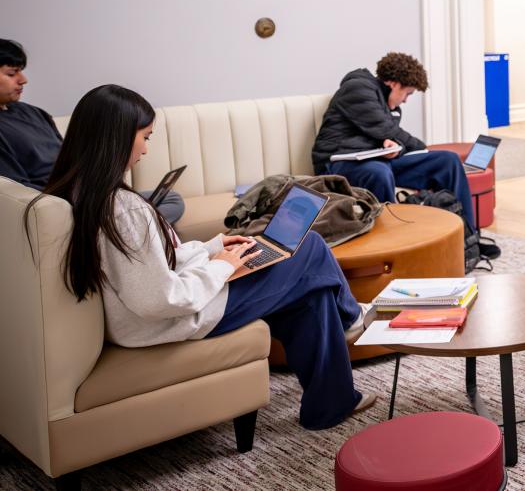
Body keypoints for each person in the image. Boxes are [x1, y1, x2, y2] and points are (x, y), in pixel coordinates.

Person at [32, 85, 374, 430]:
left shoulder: (77, 192)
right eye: (144, 137)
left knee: (306, 292)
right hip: (172, 320)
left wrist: (214, 248)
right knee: (311, 246)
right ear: (117, 137)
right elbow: (159, 299)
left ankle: (331, 404)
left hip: (147, 318)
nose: (145, 150)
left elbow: (148, 267)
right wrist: (224, 266)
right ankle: (351, 318)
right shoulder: (122, 208)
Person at [0, 39, 185, 222]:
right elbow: (15, 192)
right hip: (59, 203)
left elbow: (68, 156)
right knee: (138, 209)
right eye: (12, 73)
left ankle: (129, 223)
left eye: (20, 71)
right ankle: (124, 224)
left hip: (86, 191)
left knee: (171, 200)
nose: (23, 80)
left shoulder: (35, 113)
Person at [311, 52, 475, 234]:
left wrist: (393, 147)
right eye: (407, 93)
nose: (405, 100)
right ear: (394, 84)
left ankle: (467, 236)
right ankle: (392, 240)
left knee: (447, 161)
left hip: (375, 160)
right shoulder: (358, 89)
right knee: (379, 173)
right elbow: (386, 129)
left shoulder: (390, 106)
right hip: (338, 164)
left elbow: (391, 136)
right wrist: (416, 146)